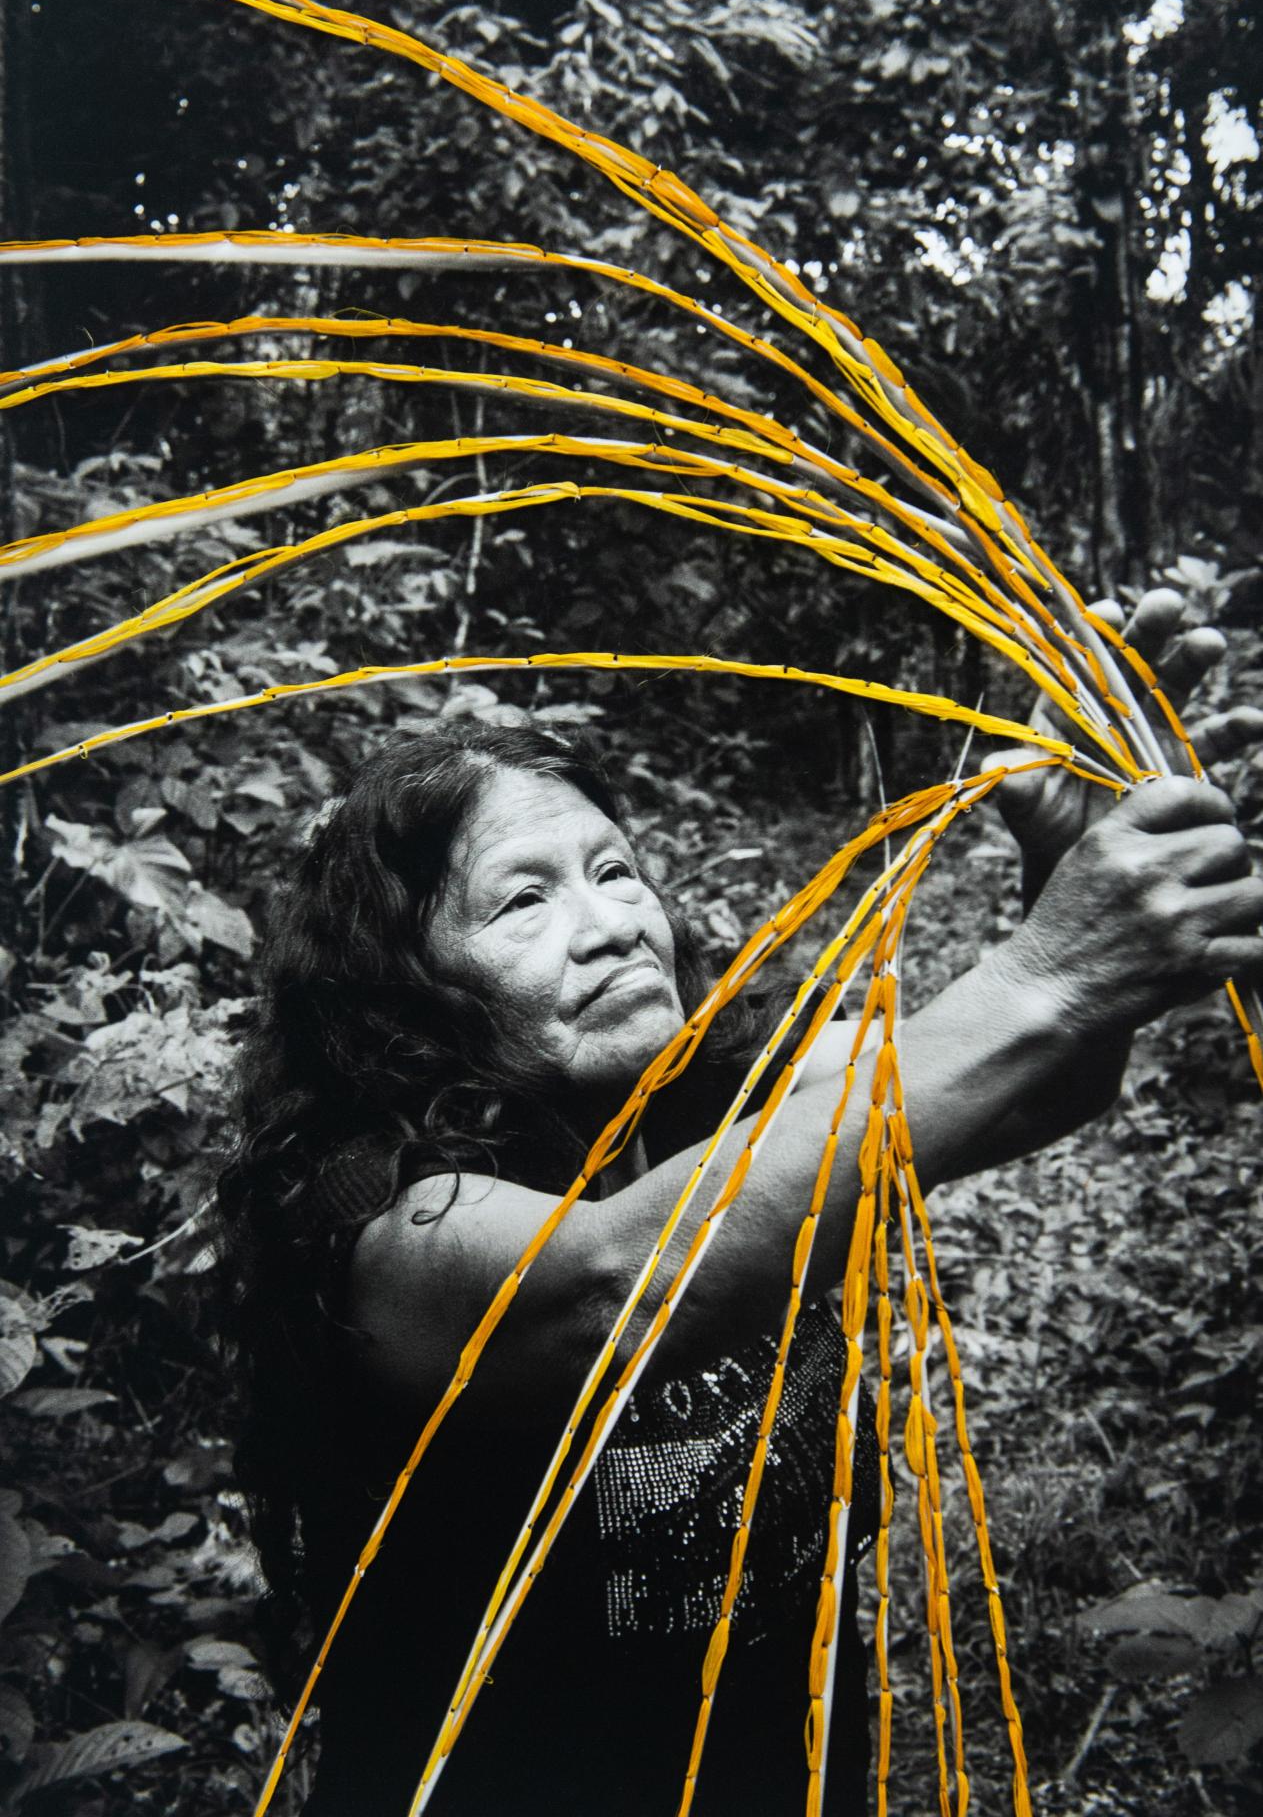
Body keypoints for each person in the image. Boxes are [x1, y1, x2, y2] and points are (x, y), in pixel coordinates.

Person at [216, 592, 1262, 1816]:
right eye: (523, 900)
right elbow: (617, 1282)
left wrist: (1061, 887)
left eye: (616, 870)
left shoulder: (722, 1080)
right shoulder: (369, 1212)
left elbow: (1038, 1092)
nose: (611, 926)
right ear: (405, 979)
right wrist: (1052, 969)